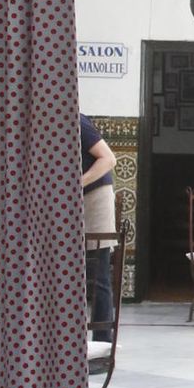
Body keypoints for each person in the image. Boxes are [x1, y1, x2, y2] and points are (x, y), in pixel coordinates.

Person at [80, 111, 117, 338]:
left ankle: (103, 340)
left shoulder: (77, 121)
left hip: (94, 196)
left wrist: (76, 184)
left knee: (98, 273)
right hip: (64, 201)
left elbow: (109, 159)